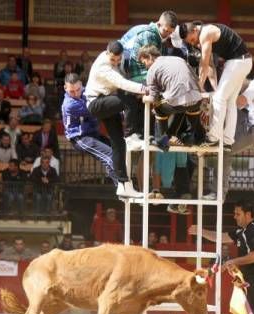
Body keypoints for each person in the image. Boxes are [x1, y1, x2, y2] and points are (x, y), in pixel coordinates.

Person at [64, 72, 141, 198]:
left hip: (93, 134)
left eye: (78, 89)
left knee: (118, 151)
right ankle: (121, 188)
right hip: (80, 138)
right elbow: (98, 109)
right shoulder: (70, 104)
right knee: (110, 156)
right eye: (72, 91)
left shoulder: (86, 91)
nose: (76, 94)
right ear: (65, 88)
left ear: (81, 85)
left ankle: (123, 183)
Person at [85, 41, 148, 196]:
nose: (115, 62)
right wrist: (143, 89)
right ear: (107, 53)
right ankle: (132, 134)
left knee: (118, 143)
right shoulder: (103, 65)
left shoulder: (120, 58)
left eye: (117, 60)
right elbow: (121, 83)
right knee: (129, 99)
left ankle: (123, 185)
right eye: (112, 59)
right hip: (96, 103)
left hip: (106, 100)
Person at [180, 21, 252, 148]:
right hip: (243, 61)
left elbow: (204, 64)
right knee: (230, 101)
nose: (193, 43)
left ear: (195, 30)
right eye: (190, 42)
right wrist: (215, 87)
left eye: (192, 40)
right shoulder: (204, 35)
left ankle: (213, 138)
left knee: (219, 98)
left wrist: (199, 87)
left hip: (237, 62)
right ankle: (228, 141)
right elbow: (211, 67)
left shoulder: (205, 34)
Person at [205, 77, 254, 200]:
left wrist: (221, 98)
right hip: (252, 124)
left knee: (225, 149)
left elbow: (239, 102)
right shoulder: (252, 90)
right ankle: (211, 138)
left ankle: (218, 192)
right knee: (228, 115)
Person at [119, 11, 178, 134]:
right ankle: (160, 134)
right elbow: (151, 65)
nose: (167, 34)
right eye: (166, 30)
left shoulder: (160, 38)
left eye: (170, 32)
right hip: (138, 75)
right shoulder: (149, 34)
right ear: (159, 24)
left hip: (147, 75)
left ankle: (152, 133)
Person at [138, 45, 204, 148]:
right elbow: (196, 79)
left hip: (177, 102)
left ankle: (162, 140)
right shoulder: (179, 59)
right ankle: (189, 136)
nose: (145, 66)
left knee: (158, 107)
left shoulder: (152, 70)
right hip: (197, 100)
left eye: (144, 62)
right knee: (187, 104)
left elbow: (153, 97)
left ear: (150, 57)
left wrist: (144, 97)